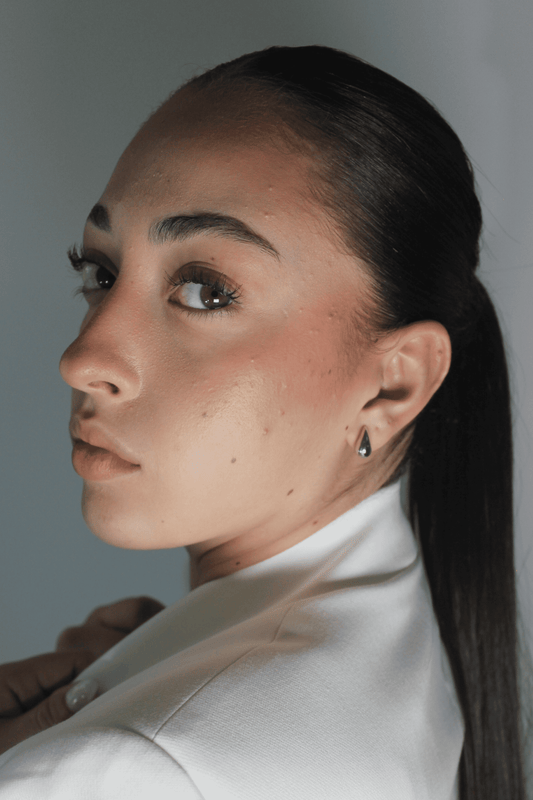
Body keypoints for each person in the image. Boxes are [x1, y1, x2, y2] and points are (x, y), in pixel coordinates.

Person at [0, 44, 529, 799]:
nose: (83, 359)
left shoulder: (133, 769)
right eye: (102, 273)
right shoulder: (400, 644)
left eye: (205, 291)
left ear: (394, 382)